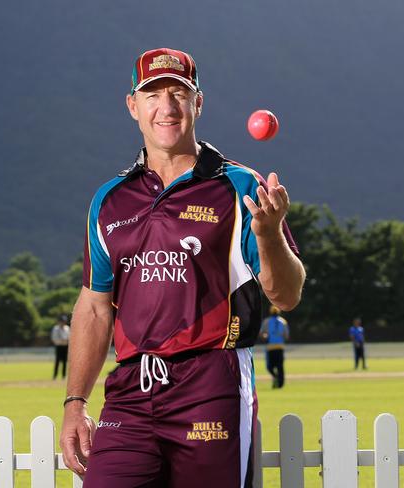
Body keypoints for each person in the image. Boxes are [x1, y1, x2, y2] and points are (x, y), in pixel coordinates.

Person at [59, 47, 306, 487]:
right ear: (133, 105)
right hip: (131, 391)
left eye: (179, 93)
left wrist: (268, 235)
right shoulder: (109, 199)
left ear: (199, 103)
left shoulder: (240, 186)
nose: (167, 107)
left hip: (211, 383)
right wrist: (75, 402)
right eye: (153, 94)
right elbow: (95, 308)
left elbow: (286, 295)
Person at [260, 305, 289, 388]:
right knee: (280, 367)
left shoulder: (266, 321)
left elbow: (262, 334)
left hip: (270, 347)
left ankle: (275, 377)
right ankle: (280, 384)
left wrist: (266, 336)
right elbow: (286, 335)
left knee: (269, 367)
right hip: (280, 347)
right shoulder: (283, 321)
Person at [51, 314, 71, 379]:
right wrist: (60, 341)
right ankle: (55, 375)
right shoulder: (56, 328)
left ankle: (64, 375)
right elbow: (54, 338)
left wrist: (66, 341)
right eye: (61, 321)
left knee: (65, 361)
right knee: (57, 361)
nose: (62, 322)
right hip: (59, 346)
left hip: (65, 346)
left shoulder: (67, 328)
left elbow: (69, 337)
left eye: (64, 321)